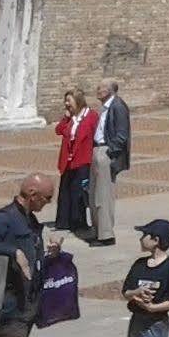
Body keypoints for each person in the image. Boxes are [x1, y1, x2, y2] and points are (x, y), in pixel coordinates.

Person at [0, 173, 53, 337]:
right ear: (32, 195)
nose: (48, 203)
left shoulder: (29, 218)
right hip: (10, 311)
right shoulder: (4, 218)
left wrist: (50, 254)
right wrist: (13, 251)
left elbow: (31, 256)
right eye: (47, 198)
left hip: (27, 306)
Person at [122, 218, 169, 337]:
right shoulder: (139, 265)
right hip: (137, 320)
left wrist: (153, 308)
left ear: (156, 240)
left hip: (156, 324)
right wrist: (136, 293)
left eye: (145, 235)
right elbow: (126, 292)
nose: (141, 239)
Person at [90, 80, 130, 248]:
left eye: (101, 88)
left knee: (103, 196)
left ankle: (106, 235)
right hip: (98, 149)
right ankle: (98, 231)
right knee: (94, 195)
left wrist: (109, 152)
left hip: (105, 152)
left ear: (110, 90)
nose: (98, 90)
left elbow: (122, 134)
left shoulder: (118, 106)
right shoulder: (106, 107)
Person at [52, 87, 96, 234]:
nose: (66, 104)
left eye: (69, 101)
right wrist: (66, 117)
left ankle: (78, 222)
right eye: (65, 101)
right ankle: (64, 221)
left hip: (83, 159)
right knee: (65, 191)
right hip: (68, 160)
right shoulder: (71, 118)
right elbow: (59, 130)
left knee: (78, 193)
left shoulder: (91, 116)